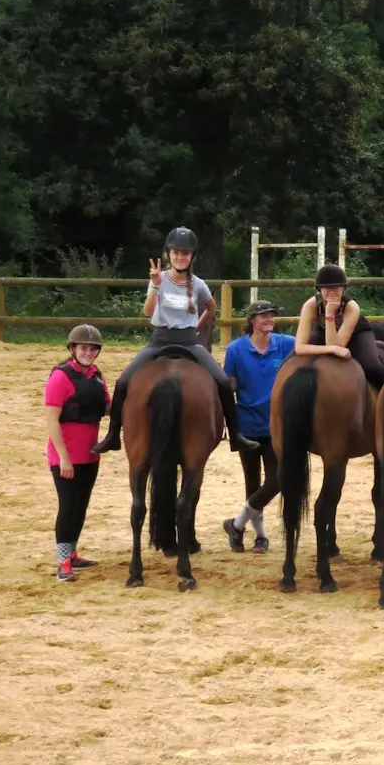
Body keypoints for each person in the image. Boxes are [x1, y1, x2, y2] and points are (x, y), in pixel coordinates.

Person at [94, 227, 257, 454]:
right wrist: (156, 285)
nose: (180, 257)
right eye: (176, 252)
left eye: (185, 253)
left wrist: (196, 328)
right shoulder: (158, 279)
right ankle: (112, 435)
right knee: (123, 382)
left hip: (189, 341)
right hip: (159, 340)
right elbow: (147, 311)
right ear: (168, 254)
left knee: (221, 381)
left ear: (192, 257)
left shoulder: (198, 284)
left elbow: (210, 308)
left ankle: (236, 435)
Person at [220, 301, 294, 554]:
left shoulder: (286, 344)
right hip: (247, 424)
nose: (270, 319)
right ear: (252, 320)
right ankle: (260, 537)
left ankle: (236, 524)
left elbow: (308, 347)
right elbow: (229, 385)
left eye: (272, 315)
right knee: (252, 483)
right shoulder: (235, 350)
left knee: (278, 479)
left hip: (275, 426)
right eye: (264, 316)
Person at [45, 325, 110, 581]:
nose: (89, 352)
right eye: (84, 348)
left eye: (93, 349)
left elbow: (106, 407)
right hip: (66, 457)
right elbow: (51, 420)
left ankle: (72, 553)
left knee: (81, 506)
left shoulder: (96, 375)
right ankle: (63, 561)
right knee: (69, 506)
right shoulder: (60, 377)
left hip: (90, 455)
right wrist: (63, 457)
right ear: (73, 349)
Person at [291, 264, 384, 391]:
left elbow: (337, 345)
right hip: (324, 331)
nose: (332, 292)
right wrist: (332, 348)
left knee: (371, 366)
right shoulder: (310, 306)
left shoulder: (352, 307)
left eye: (336, 288)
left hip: (357, 334)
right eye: (326, 288)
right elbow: (300, 347)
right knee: (289, 362)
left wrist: (329, 313)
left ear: (343, 289)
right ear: (319, 289)